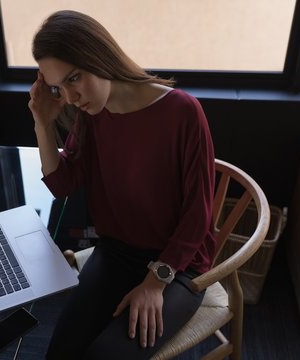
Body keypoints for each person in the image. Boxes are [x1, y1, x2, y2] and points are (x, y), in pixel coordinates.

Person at [28, 10, 216, 360]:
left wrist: (155, 282)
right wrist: (43, 124)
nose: (69, 97)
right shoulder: (91, 117)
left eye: (75, 78)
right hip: (116, 252)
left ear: (98, 56)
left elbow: (198, 216)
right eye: (58, 87)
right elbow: (62, 183)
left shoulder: (184, 112)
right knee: (59, 355)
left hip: (178, 265)